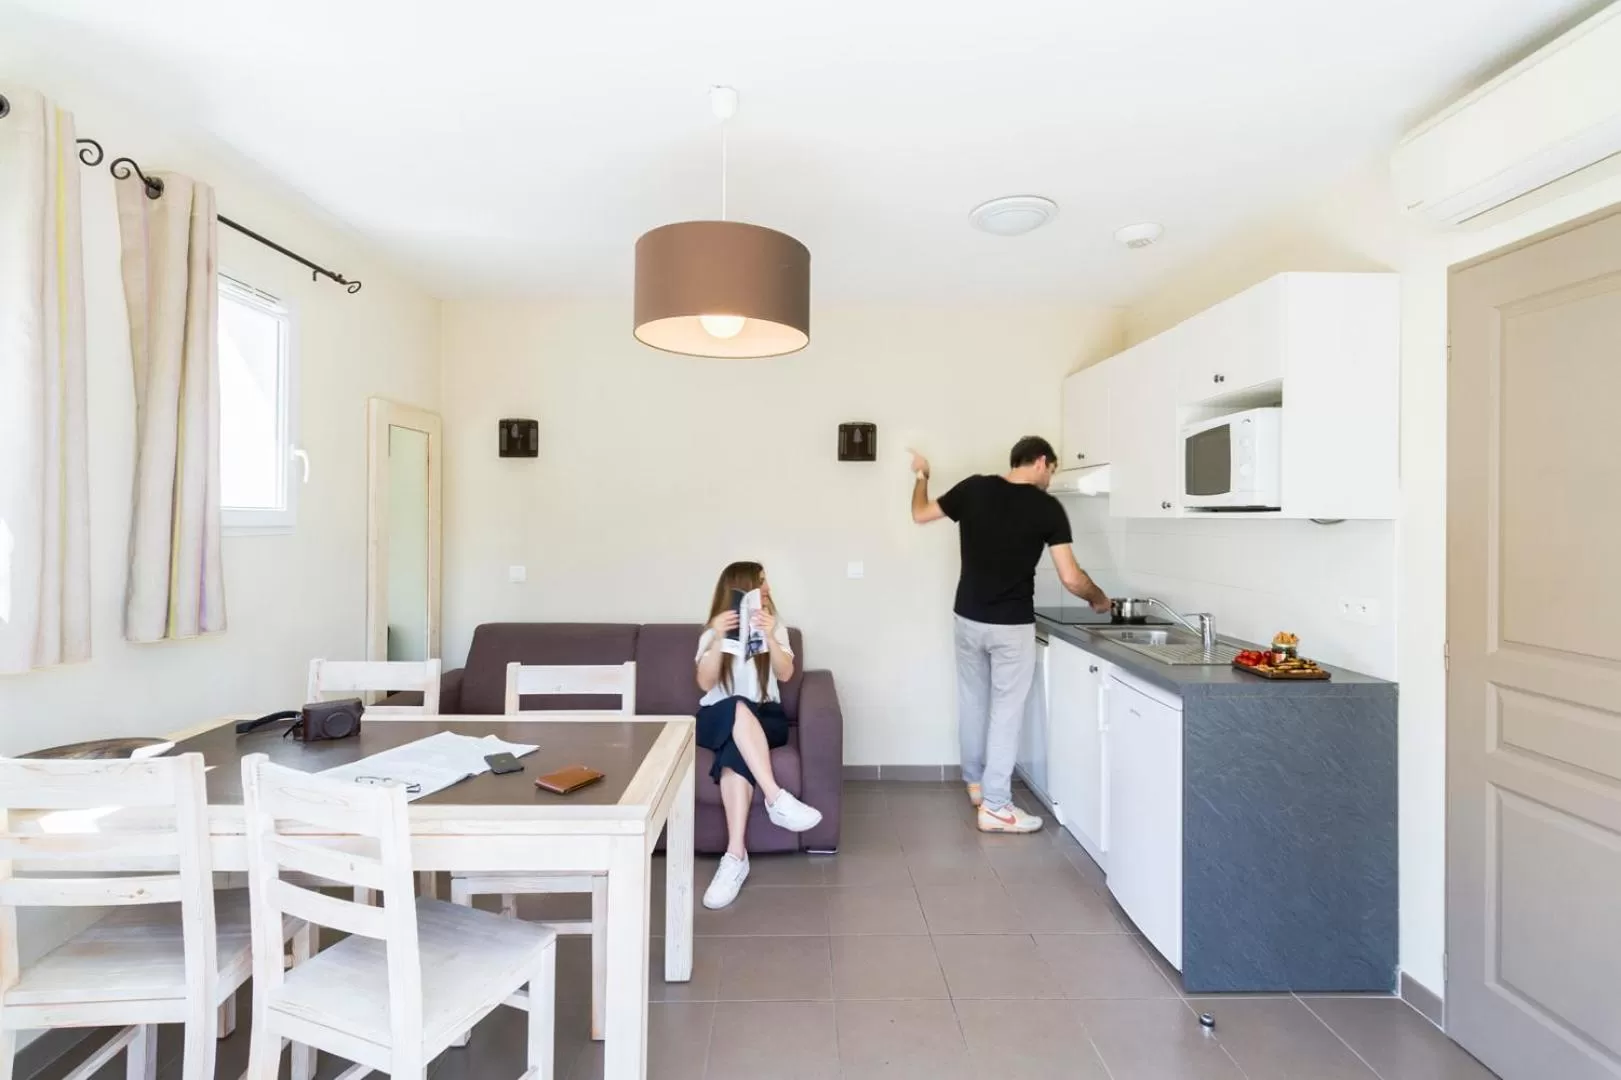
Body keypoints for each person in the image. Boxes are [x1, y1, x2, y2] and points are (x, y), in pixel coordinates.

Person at [911, 436, 1111, 833]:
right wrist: (1100, 598)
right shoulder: (1047, 508)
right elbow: (1072, 578)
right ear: (1040, 461)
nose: (1050, 480)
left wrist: (922, 475)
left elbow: (919, 513)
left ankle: (974, 784)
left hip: (967, 616)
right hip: (1011, 625)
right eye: (1051, 470)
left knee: (972, 700)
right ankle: (997, 806)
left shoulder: (973, 488)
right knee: (1006, 712)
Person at [693, 560, 823, 909]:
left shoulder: (774, 627)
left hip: (765, 717)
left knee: (736, 753)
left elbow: (785, 674)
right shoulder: (712, 631)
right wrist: (720, 637)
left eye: (766, 582)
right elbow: (705, 683)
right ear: (739, 588)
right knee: (736, 705)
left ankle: (735, 858)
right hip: (718, 714)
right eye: (760, 583)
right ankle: (776, 798)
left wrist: (767, 636)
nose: (767, 588)